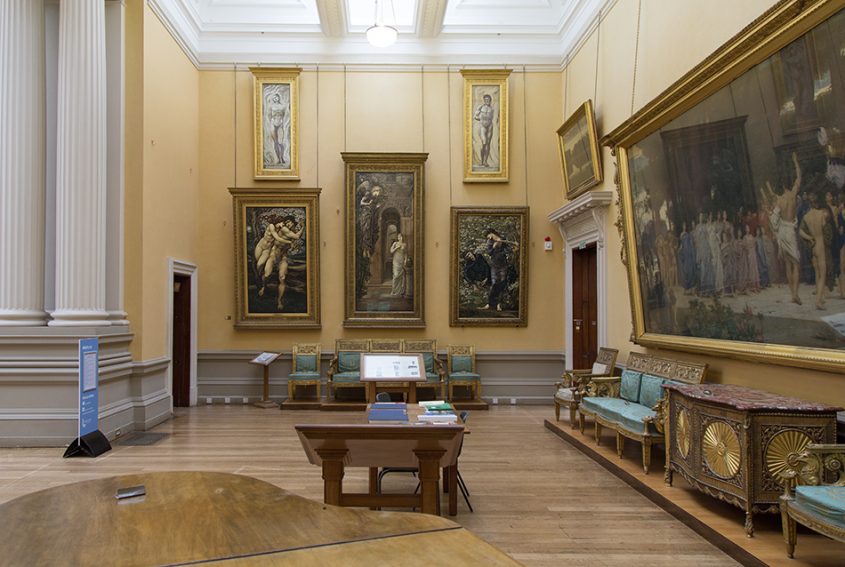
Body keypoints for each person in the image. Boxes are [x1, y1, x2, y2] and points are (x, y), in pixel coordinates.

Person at [762, 152, 802, 304]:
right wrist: (795, 162)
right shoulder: (792, 195)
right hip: (790, 231)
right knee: (796, 263)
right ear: (789, 184)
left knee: (787, 263)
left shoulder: (779, 200)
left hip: (782, 232)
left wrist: (768, 211)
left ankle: (792, 293)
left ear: (782, 185)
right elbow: (799, 177)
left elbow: (773, 218)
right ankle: (795, 294)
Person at [799, 192, 834, 310]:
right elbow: (826, 231)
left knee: (817, 273)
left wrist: (810, 238)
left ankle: (820, 298)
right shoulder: (821, 214)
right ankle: (818, 301)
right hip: (820, 246)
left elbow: (800, 232)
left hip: (812, 247)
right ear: (817, 203)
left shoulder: (806, 216)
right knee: (823, 275)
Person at [482, 228, 513, 311]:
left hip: (503, 264)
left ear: (492, 233)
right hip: (494, 265)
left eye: (488, 235)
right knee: (495, 283)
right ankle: (490, 303)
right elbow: (489, 253)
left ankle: (499, 304)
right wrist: (493, 247)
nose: (488, 238)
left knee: (502, 283)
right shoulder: (490, 242)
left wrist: (502, 252)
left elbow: (509, 249)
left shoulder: (503, 239)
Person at [473, 94, 495, 168]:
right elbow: (475, 117)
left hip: (490, 126)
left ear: (490, 100)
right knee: (484, 143)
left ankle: (485, 161)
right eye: (485, 100)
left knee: (488, 143)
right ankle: (482, 161)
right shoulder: (480, 107)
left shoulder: (492, 108)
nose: (487, 101)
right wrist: (481, 119)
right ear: (484, 100)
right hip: (483, 126)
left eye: (488, 99)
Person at [267, 93, 287, 166]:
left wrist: (281, 120)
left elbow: (284, 114)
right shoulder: (271, 106)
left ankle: (282, 157)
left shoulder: (282, 106)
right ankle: (278, 159)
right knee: (275, 142)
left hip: (280, 124)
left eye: (277, 98)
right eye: (274, 98)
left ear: (279, 98)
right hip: (273, 124)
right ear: (273, 99)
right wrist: (272, 121)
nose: (275, 99)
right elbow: (269, 115)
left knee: (280, 142)